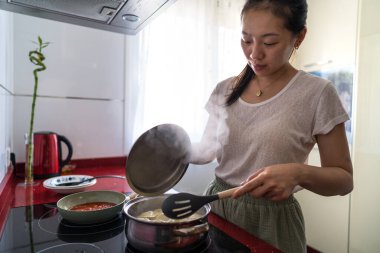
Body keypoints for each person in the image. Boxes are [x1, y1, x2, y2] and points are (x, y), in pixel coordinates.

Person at [189, 0, 354, 252]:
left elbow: (344, 180)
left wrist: (298, 173)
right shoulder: (224, 89)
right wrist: (172, 148)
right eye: (246, 40)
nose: (255, 54)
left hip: (273, 222)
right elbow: (206, 151)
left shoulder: (318, 93)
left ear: (299, 37)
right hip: (217, 210)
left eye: (269, 43)